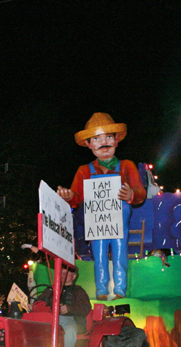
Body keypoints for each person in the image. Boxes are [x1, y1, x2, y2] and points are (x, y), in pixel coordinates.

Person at [57, 112, 146, 300]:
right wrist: (69, 196)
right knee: (99, 255)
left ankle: (120, 290)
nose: (103, 142)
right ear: (89, 144)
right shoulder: (83, 171)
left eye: (108, 137)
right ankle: (102, 291)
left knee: (120, 253)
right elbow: (76, 199)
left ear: (116, 140)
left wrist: (131, 194)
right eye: (96, 138)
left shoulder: (126, 166)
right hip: (96, 221)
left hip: (120, 220)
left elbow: (140, 193)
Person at [40, 265, 91, 347]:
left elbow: (86, 307)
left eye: (66, 273)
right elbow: (41, 300)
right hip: (49, 318)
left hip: (70, 319)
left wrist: (69, 308)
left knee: (70, 330)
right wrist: (34, 305)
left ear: (74, 276)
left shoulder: (79, 291)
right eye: (62, 272)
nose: (63, 274)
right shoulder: (51, 289)